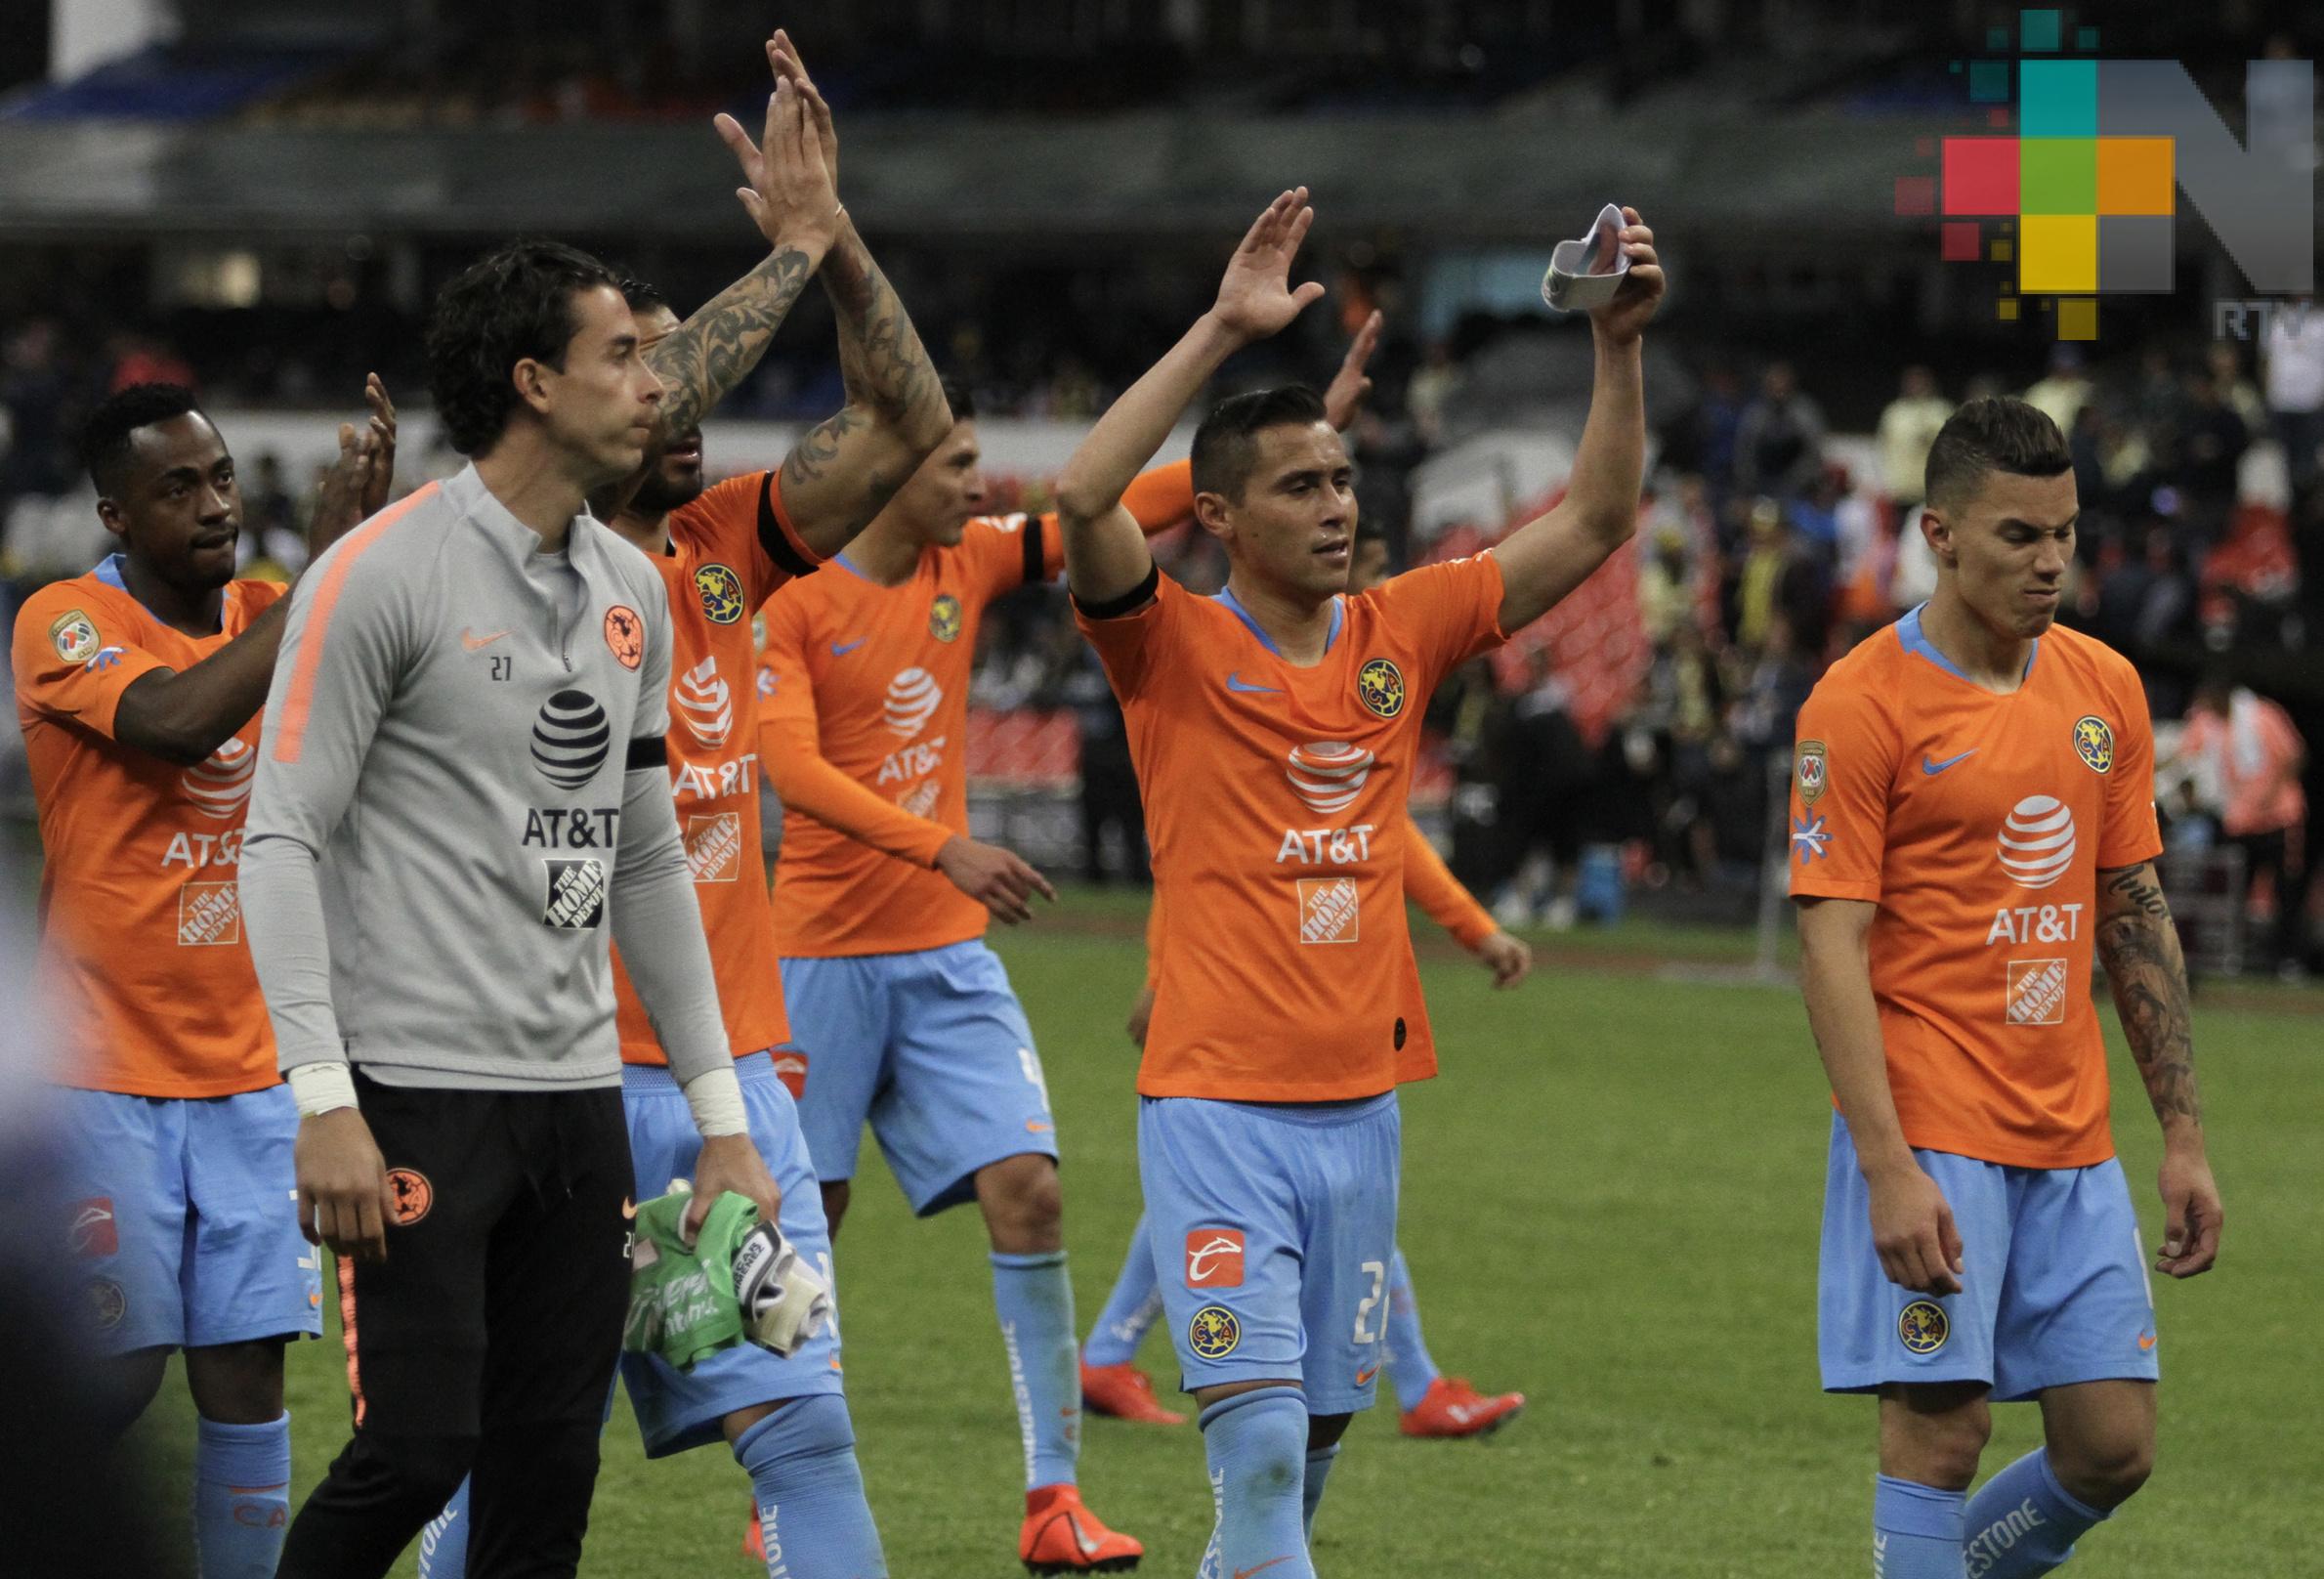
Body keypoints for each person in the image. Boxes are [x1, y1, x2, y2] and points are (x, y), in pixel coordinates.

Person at [1052, 189, 1660, 1579]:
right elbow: (1084, 497)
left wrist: (1614, 348)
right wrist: (1219, 327)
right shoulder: (1166, 648)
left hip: (1361, 1123)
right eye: (1298, 488)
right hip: (1214, 1114)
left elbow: (1603, 515)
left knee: (1297, 1477)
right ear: (1216, 517)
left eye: (1340, 482)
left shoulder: (1404, 626)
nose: (1337, 507)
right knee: (1259, 1462)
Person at [415, 34, 946, 1579]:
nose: (667, 384)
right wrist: (777, 254)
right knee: (517, 1465)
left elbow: (905, 424)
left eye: (670, 354)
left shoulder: (720, 552)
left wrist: (836, 248)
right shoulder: (518, 546)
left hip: (730, 1088)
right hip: (542, 1091)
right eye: (632, 359)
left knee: (803, 1428)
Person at [239, 200, 827, 1574]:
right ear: (534, 384)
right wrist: (322, 1099)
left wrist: (722, 1118)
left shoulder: (632, 584)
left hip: (574, 1111)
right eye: (623, 354)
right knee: (415, 1450)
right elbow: (279, 839)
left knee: (549, 1471)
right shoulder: (377, 576)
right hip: (413, 1093)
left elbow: (643, 856)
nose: (655, 383)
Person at [751, 375, 1215, 1575]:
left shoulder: (970, 563)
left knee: (1034, 1190)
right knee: (810, 1223)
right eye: (957, 463)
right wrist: (941, 841)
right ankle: (783, 1478)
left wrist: (1229, 477)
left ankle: (1053, 1501)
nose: (979, 482)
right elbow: (790, 768)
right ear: (890, 472)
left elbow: (1110, 500)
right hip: (816, 959)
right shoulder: (795, 600)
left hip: (945, 952)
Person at [1789, 397, 2222, 1579]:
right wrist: (1886, 1163)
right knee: (1941, 1429)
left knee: (2112, 1445)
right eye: (2018, 536)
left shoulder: (2104, 688)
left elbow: (2133, 912)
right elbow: (1830, 943)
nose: (2050, 562)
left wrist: (2181, 1135)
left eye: (2066, 533)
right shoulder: (1862, 700)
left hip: (2069, 1131)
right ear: (1938, 533)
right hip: (1934, 1126)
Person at [12, 376, 392, 1579]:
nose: (214, 503)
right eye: (176, 487)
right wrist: (330, 580)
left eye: (223, 476)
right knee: (108, 1376)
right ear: (115, 515)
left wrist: (354, 567)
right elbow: (175, 721)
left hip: (251, 1074)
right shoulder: (61, 619)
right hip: (100, 1072)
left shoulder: (281, 606)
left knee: (245, 1381)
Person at [1083, 518, 1532, 1440]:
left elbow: (1371, 834)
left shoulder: (1367, 651)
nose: (1348, 554)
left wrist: (1474, 929)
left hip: (1335, 1037)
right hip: (1235, 1029)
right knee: (1275, 1224)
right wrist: (1164, 970)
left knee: (1300, 1216)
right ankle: (1415, 1385)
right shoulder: (1206, 653)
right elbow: (1199, 847)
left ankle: (1113, 1349)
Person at [2179, 674, 2309, 977]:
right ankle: (2230, 957)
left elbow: (2294, 756)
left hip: (2279, 817)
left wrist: (2266, 797)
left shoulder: (2263, 716)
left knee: (2286, 891)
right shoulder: (2206, 723)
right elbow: (2187, 759)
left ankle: (2287, 960)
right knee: (2230, 893)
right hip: (2236, 822)